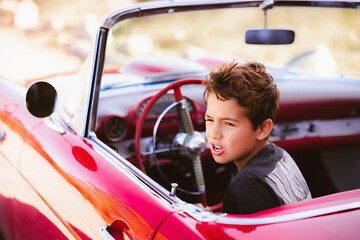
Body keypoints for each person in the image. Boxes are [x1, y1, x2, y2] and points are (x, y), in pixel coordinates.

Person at [203, 61, 311, 214]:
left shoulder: (246, 185)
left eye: (228, 123)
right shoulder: (280, 155)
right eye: (210, 120)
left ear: (263, 129)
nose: (214, 134)